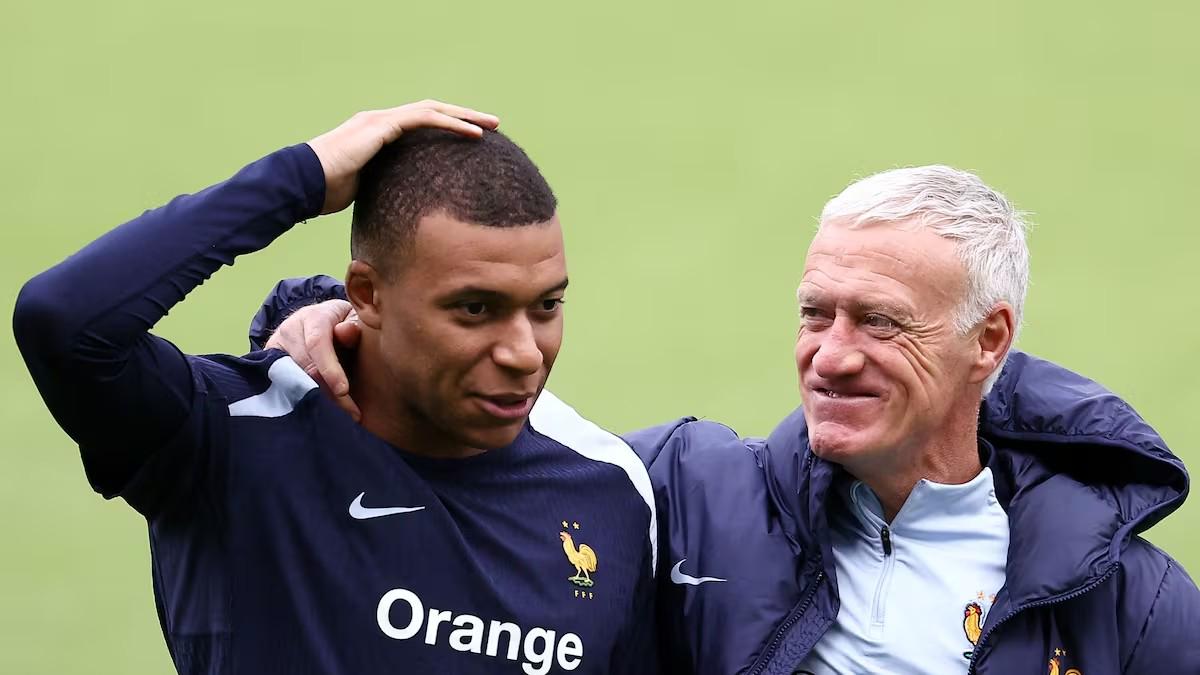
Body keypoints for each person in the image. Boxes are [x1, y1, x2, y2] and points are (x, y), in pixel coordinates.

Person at [261, 165, 1200, 674]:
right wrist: (331, 318)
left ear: (986, 340)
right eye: (816, 314)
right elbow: (466, 411)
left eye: (879, 322)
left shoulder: (1131, 604)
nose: (831, 354)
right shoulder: (688, 493)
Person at [13, 101, 658, 675]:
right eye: (474, 309)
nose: (524, 353)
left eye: (546, 306)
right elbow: (65, 323)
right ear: (367, 295)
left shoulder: (610, 490)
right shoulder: (232, 437)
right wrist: (303, 176)